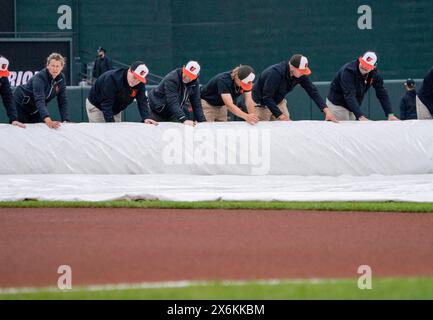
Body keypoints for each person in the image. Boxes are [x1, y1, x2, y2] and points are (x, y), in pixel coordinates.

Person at [253, 54, 336, 122]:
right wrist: (281, 116)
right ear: (292, 67)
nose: (303, 73)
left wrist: (327, 112)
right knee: (264, 133)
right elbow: (267, 97)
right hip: (262, 104)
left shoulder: (300, 74)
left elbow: (312, 91)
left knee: (287, 128)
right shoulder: (275, 73)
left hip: (278, 101)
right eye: (301, 71)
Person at [327, 51, 399, 121]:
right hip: (337, 104)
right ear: (360, 60)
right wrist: (360, 116)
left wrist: (390, 114)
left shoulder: (375, 74)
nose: (364, 67)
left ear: (373, 67)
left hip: (351, 107)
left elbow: (382, 93)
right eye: (363, 63)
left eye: (368, 66)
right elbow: (349, 95)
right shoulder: (348, 71)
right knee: (344, 130)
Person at [86, 61, 157, 125]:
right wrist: (111, 124)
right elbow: (106, 104)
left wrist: (146, 117)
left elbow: (142, 101)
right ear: (129, 71)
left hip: (115, 109)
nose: (136, 81)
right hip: (97, 106)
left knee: (116, 135)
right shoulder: (112, 79)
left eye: (139, 79)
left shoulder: (139, 83)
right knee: (102, 134)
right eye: (134, 77)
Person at [14, 53, 70, 129]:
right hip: (21, 104)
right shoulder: (40, 77)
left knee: (40, 130)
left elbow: (62, 100)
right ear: (48, 66)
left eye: (57, 66)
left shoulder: (61, 79)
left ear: (61, 67)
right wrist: (48, 120)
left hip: (36, 108)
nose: (55, 68)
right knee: (21, 130)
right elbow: (39, 100)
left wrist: (66, 120)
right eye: (53, 66)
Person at [148, 61, 206, 126]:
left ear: (196, 76)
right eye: (187, 73)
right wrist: (184, 119)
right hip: (155, 111)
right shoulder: (172, 78)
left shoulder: (195, 83)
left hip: (172, 113)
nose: (188, 77)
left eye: (191, 76)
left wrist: (202, 122)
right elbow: (172, 101)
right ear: (183, 68)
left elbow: (196, 104)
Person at [0, 56, 25, 128]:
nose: (1, 76)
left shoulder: (3, 78)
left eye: (2, 73)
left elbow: (8, 99)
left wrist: (14, 119)